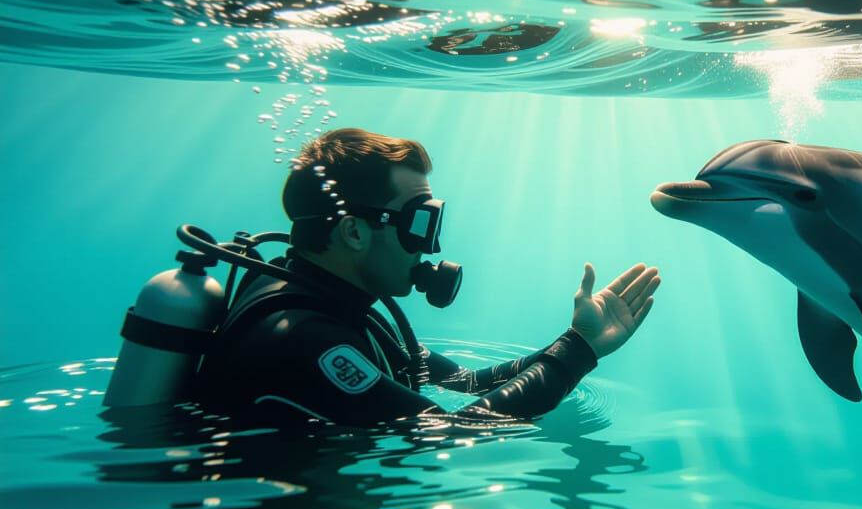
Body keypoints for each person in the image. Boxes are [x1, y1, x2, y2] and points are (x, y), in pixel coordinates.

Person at [193, 128, 659, 426]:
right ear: (353, 232)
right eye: (418, 221)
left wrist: (581, 339)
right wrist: (576, 353)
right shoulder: (301, 339)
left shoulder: (347, 311)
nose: (431, 245)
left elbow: (469, 383)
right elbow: (453, 431)